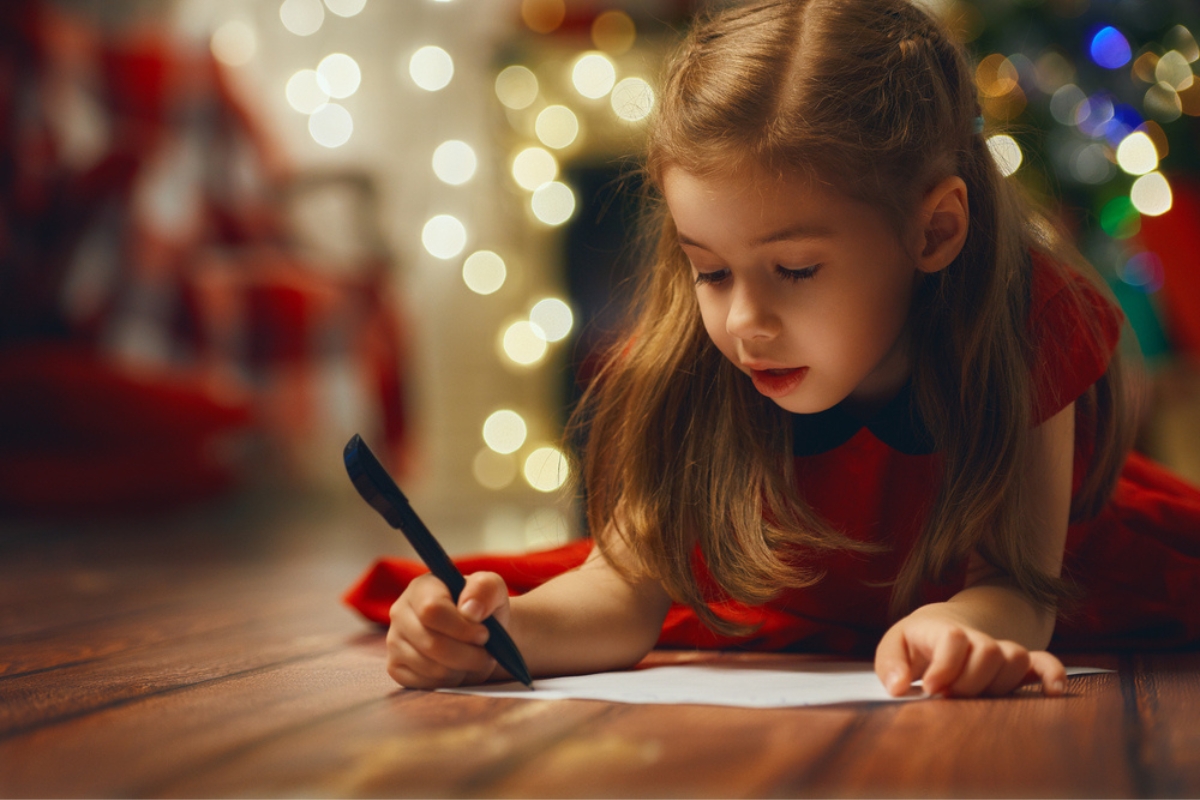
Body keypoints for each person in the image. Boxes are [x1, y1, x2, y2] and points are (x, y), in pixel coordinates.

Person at [371, 0, 1200, 698]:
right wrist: (502, 631)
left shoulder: (1025, 323)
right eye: (711, 270)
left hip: (1067, 573)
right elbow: (621, 590)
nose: (745, 322)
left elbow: (1020, 588)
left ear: (934, 229)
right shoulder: (697, 354)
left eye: (796, 270)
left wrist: (959, 627)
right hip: (782, 590)